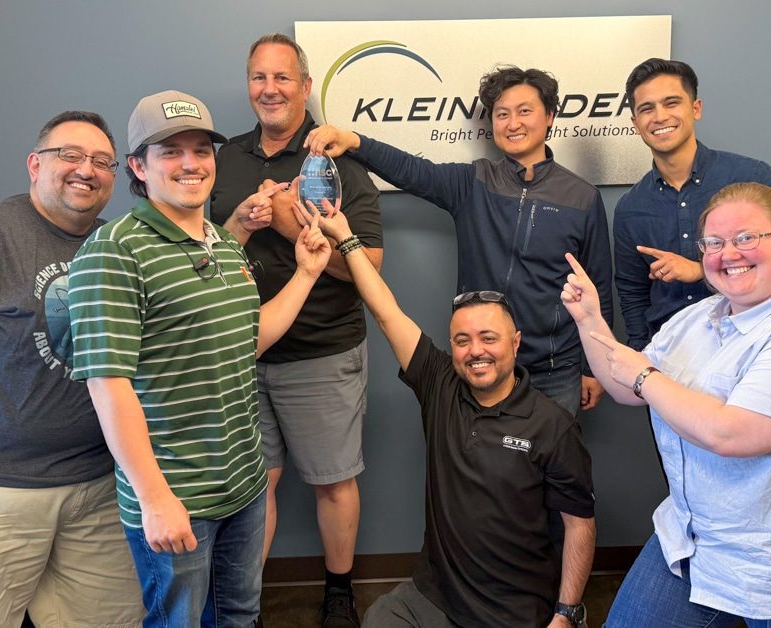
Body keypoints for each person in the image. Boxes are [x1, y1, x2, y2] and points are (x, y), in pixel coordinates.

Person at [562, 182, 771, 626]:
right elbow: (625, 388)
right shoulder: (699, 318)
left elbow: (729, 433)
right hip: (699, 537)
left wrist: (645, 375)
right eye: (713, 243)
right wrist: (590, 319)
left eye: (746, 238)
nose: (728, 253)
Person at [68, 90, 331, 627]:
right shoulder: (113, 251)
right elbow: (108, 385)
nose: (190, 163)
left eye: (201, 149)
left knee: (238, 614)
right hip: (177, 496)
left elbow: (248, 340)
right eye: (170, 151)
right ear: (139, 166)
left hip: (245, 486)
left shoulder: (224, 243)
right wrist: (154, 497)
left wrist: (306, 273)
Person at [297, 198, 595, 628]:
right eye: (462, 340)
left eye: (489, 338)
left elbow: (579, 525)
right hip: (434, 596)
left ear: (515, 343)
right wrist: (345, 238)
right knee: (380, 620)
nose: (476, 351)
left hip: (514, 608)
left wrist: (566, 615)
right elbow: (385, 311)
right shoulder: (439, 384)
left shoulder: (552, 424)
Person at [0, 111, 144, 627]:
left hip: (96, 488)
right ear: (35, 164)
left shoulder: (116, 244)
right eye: (69, 155)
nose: (85, 170)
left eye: (100, 161)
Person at [305, 65, 613, 417]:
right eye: (502, 114)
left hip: (555, 371)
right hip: (481, 365)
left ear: (550, 117)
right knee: (481, 470)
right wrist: (355, 142)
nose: (513, 123)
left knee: (555, 470)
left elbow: (598, 287)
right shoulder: (473, 183)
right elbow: (411, 171)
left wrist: (593, 367)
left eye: (525, 111)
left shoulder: (582, 197)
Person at [209, 33, 383, 626]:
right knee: (253, 488)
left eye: (283, 78)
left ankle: (339, 593)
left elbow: (368, 268)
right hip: (238, 354)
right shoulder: (222, 161)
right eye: (259, 77)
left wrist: (288, 226)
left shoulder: (335, 163)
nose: (270, 89)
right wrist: (239, 222)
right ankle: (245, 605)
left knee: (334, 483)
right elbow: (200, 254)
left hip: (322, 351)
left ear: (306, 87)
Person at [614, 58, 771, 350]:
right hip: (671, 356)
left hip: (753, 346)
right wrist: (642, 356)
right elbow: (632, 293)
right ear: (635, 123)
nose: (659, 117)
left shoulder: (751, 177)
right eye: (647, 109)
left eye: (671, 103)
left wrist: (701, 270)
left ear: (695, 108)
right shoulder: (630, 208)